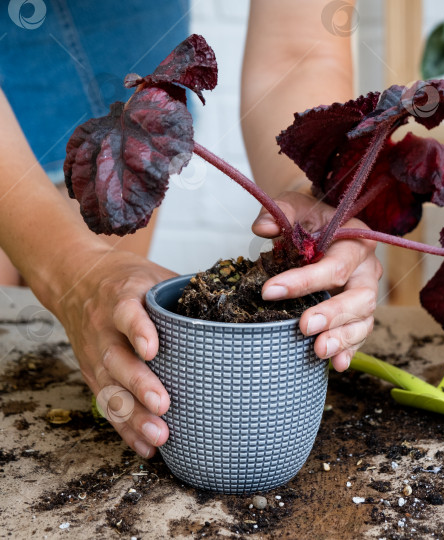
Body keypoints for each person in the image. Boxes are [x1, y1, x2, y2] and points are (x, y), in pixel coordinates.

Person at [0, 0, 380, 459]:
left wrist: (306, 193)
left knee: (110, 323)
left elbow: (298, 50)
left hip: (119, 38)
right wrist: (71, 270)